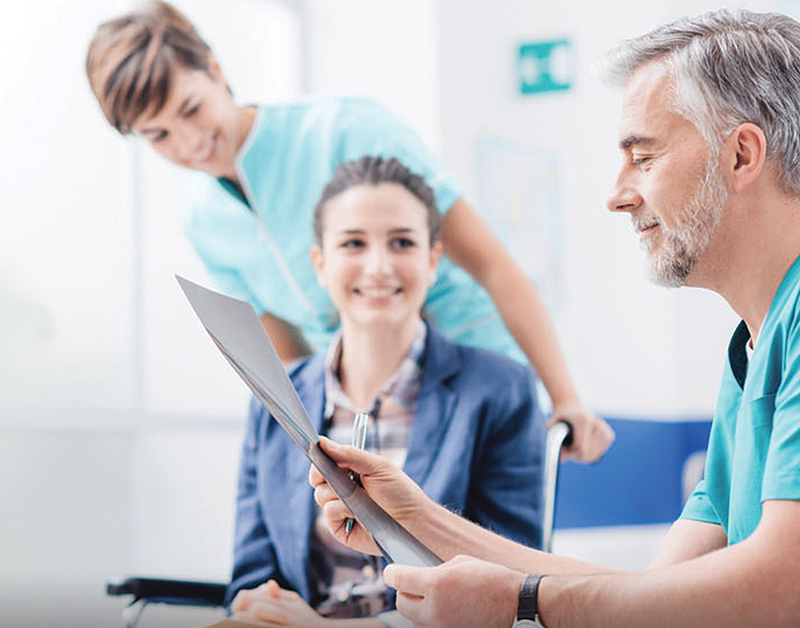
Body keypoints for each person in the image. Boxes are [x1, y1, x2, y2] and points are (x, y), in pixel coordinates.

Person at [297, 9, 800, 628]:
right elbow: (665, 593)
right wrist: (416, 519)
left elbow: (783, 587)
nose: (616, 194)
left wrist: (523, 601)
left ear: (743, 155)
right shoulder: (751, 350)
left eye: (642, 157)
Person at [84, 0, 613, 463]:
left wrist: (564, 397)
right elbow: (285, 354)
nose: (191, 142)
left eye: (191, 109)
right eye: (159, 136)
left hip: (473, 367)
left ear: (216, 70)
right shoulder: (203, 218)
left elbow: (494, 267)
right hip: (367, 409)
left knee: (487, 562)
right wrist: (316, 443)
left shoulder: (346, 130)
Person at [227, 156, 546, 628]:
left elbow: (508, 587)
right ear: (319, 262)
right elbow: (252, 578)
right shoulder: (274, 400)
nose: (378, 267)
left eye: (402, 243)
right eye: (353, 243)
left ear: (432, 260)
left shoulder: (499, 390)